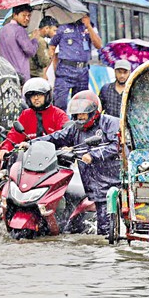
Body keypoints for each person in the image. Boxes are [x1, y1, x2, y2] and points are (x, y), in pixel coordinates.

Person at [28, 91, 119, 238]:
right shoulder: (75, 128)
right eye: (77, 114)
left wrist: (93, 155)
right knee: (98, 230)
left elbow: (117, 145)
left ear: (93, 112)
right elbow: (57, 137)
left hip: (110, 181)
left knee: (106, 230)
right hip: (92, 184)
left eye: (84, 114)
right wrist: (32, 143)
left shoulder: (110, 123)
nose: (80, 117)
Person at [0, 78, 69, 163]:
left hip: (54, 159)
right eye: (32, 96)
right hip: (28, 160)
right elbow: (14, 135)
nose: (36, 98)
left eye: (39, 95)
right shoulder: (26, 114)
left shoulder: (58, 114)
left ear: (47, 96)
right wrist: (5, 148)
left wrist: (66, 147)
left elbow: (67, 134)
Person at [50, 14, 103, 112]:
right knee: (59, 103)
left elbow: (99, 45)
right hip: (65, 69)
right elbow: (52, 46)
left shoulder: (90, 27)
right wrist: (52, 66)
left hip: (82, 71)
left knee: (81, 105)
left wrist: (88, 26)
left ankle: (78, 121)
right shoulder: (63, 27)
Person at [0, 4, 37, 83]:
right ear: (15, 15)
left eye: (29, 15)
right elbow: (30, 51)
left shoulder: (2, 30)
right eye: (24, 15)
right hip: (20, 75)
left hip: (6, 73)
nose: (27, 18)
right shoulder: (19, 30)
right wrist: (34, 40)